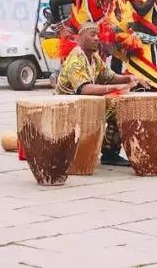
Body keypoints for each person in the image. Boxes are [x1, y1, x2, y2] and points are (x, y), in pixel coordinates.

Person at [54, 22, 139, 166]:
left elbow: (109, 76)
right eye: (92, 35)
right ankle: (109, 153)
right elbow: (84, 89)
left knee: (123, 103)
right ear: (80, 37)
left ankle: (110, 151)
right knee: (118, 105)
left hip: (83, 102)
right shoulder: (76, 57)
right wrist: (115, 88)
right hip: (66, 106)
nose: (97, 38)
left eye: (98, 35)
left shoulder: (94, 57)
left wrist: (129, 77)